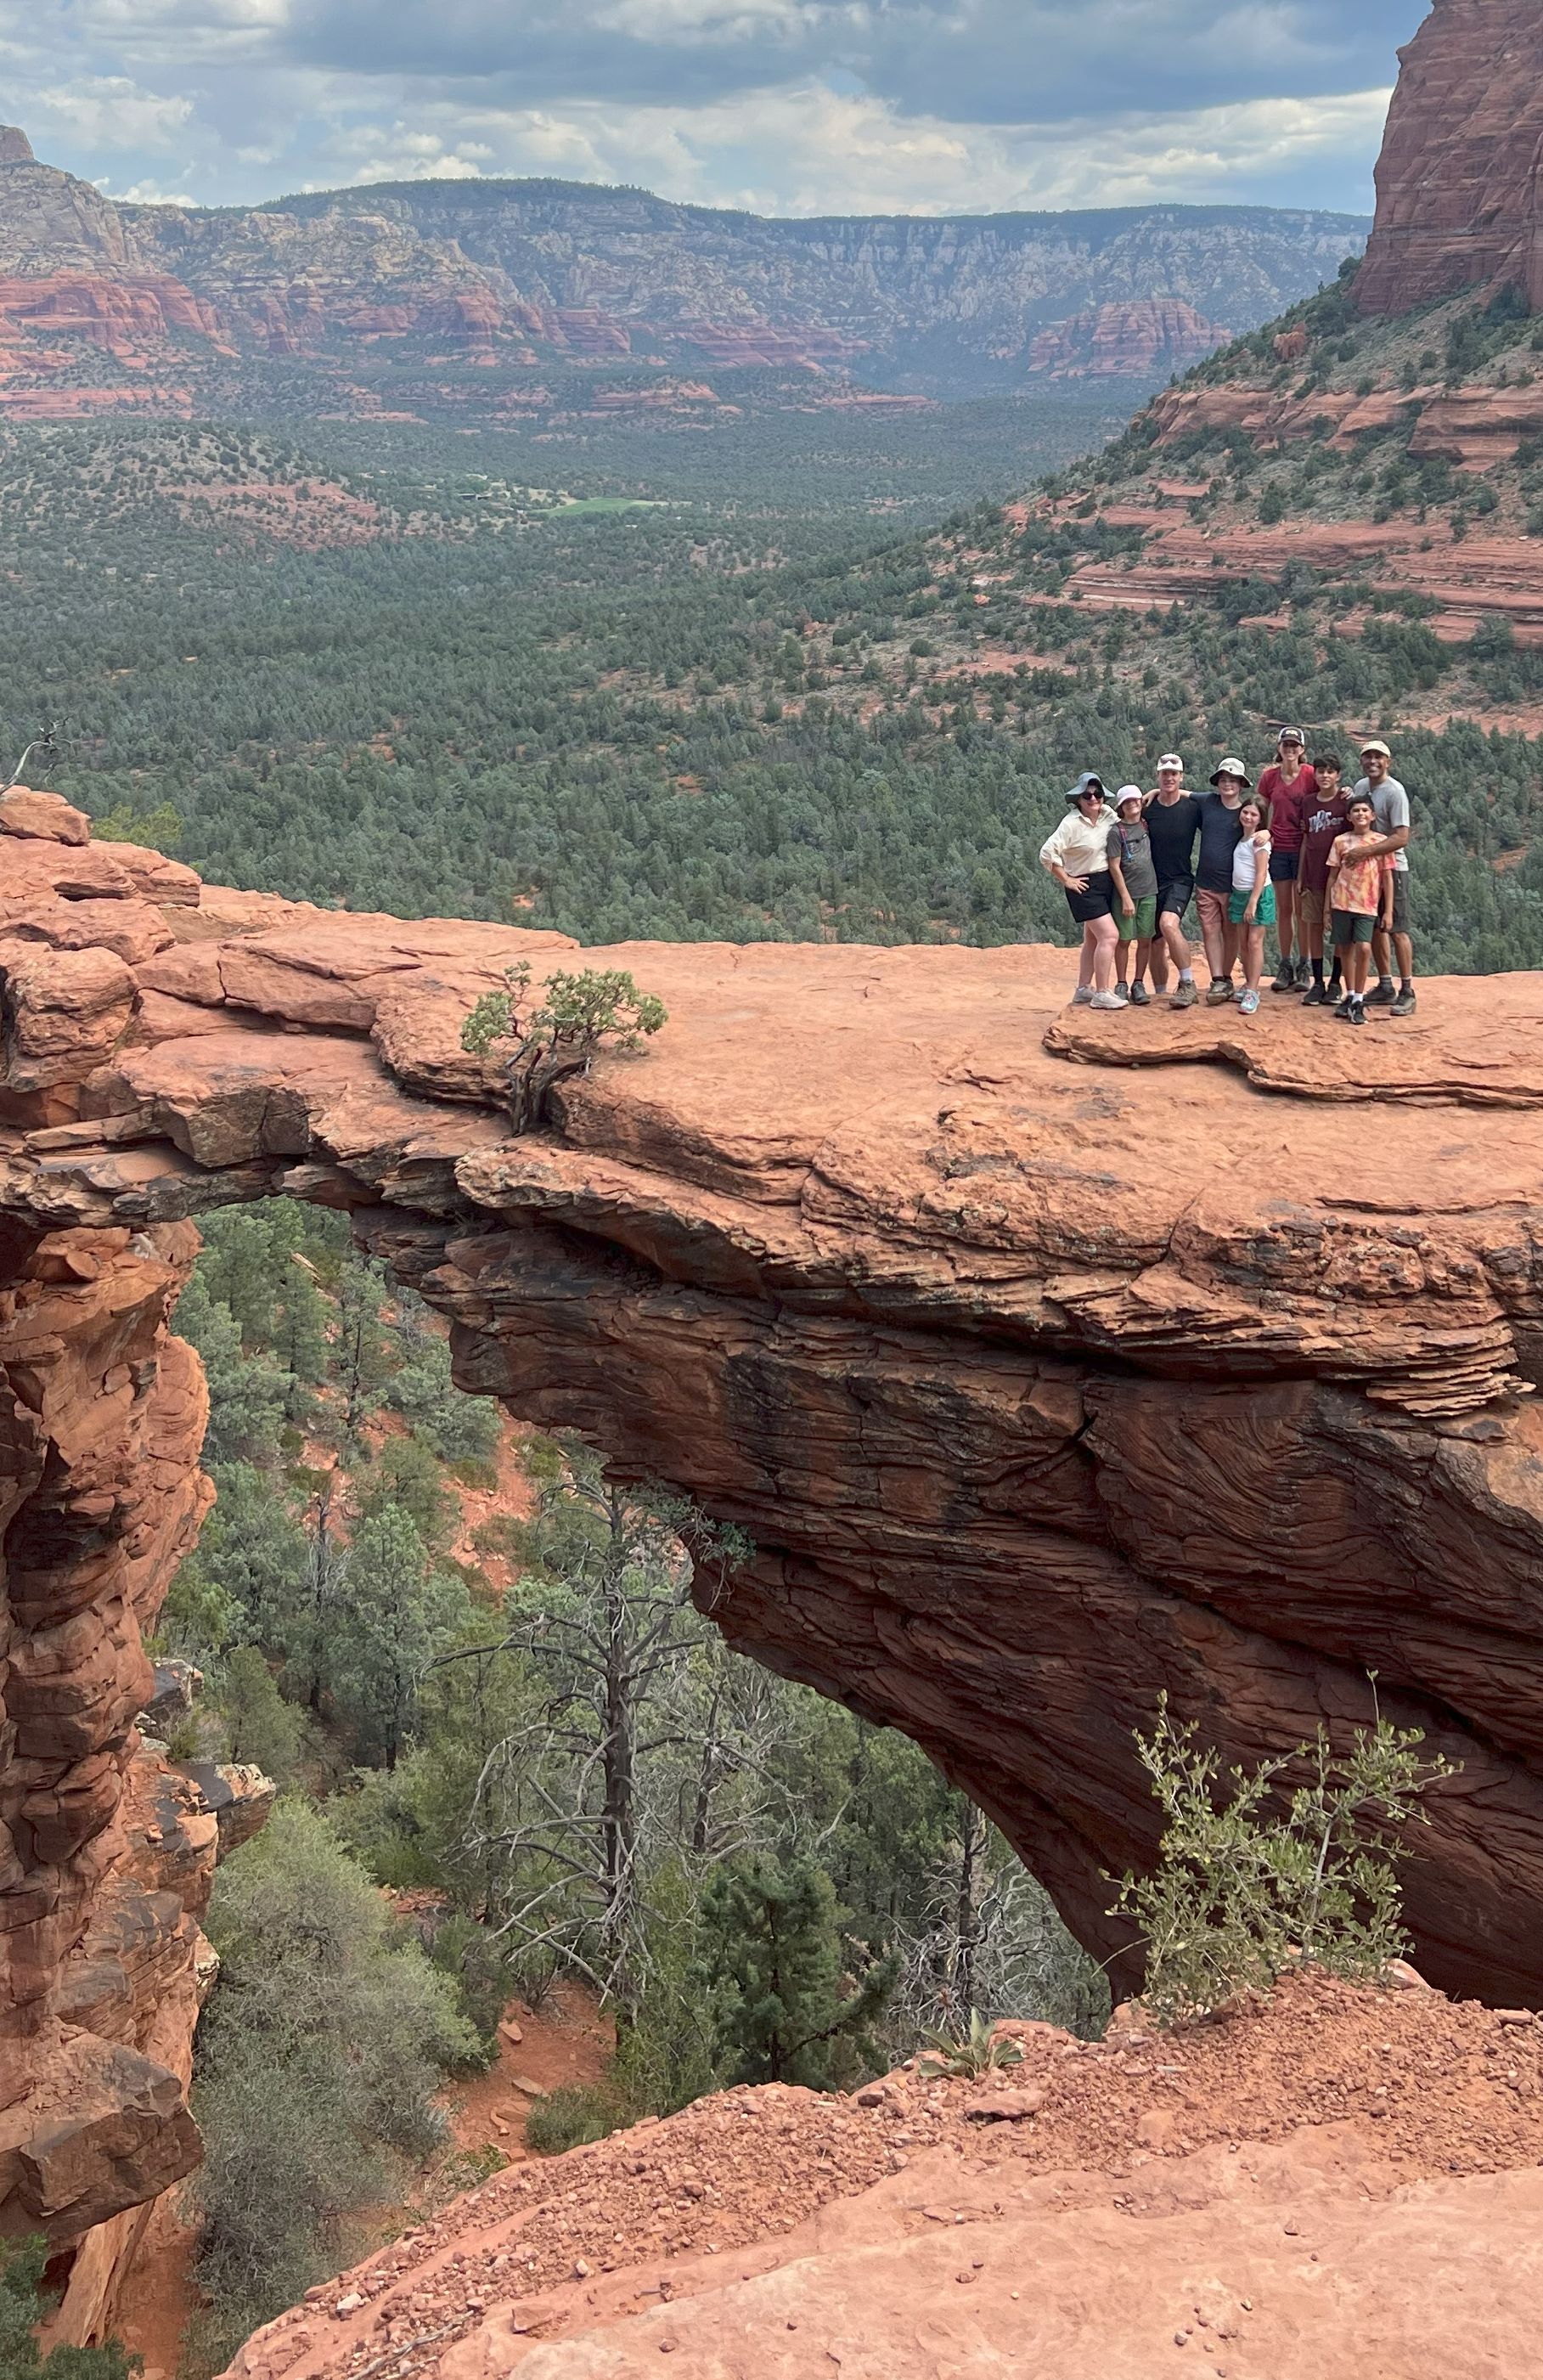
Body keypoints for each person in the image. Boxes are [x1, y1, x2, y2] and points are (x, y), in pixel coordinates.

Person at [1039, 772, 1122, 1010]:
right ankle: (1103, 992)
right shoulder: (1071, 823)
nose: (1093, 798)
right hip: (1084, 885)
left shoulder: (1107, 814)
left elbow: (1129, 816)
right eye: (1087, 795)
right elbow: (1047, 853)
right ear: (1079, 799)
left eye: (1098, 794)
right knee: (1109, 936)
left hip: (1105, 882)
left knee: (1092, 939)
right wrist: (1066, 879)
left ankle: (1084, 989)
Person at [1354, 740, 1416, 1015]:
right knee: (1376, 927)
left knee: (1397, 929)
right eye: (1367, 757)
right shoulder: (1360, 788)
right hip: (1367, 873)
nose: (1372, 761)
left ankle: (1408, 990)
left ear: (1388, 761)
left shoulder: (1395, 792)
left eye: (1378, 757)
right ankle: (1386, 985)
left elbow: (1402, 837)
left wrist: (1367, 851)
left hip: (1393, 870)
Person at [1326, 792, 1395, 1028]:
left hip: (1367, 905)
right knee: (1345, 950)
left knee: (1364, 948)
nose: (1360, 814)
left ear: (1373, 815)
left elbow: (1387, 878)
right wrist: (1328, 908)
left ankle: (1358, 997)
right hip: (1342, 902)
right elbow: (1332, 876)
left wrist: (1388, 912)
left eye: (1365, 811)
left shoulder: (1381, 842)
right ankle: (1351, 996)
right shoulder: (1340, 842)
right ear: (1349, 816)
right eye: (1356, 811)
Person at [1256, 729, 1316, 990]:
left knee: (1302, 911)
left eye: (1295, 745)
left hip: (1304, 848)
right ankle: (1285, 964)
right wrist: (1263, 830)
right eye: (1286, 745)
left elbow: (1327, 793)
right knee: (1284, 911)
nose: (1290, 749)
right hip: (1279, 848)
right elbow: (1261, 805)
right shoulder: (1269, 777)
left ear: (1302, 749)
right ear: (1279, 748)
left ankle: (1305, 965)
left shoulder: (1311, 775)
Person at [1143, 753, 1202, 1008]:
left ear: (1181, 777)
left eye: (1174, 773)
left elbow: (1219, 809)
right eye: (1164, 773)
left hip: (1180, 879)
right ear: (1158, 775)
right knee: (1154, 942)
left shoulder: (1192, 808)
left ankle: (1188, 983)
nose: (1169, 777)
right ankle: (1159, 993)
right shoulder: (1148, 808)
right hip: (1149, 883)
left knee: (1169, 924)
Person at [1297, 753, 1351, 1007]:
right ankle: (1318, 982)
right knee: (1314, 928)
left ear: (1338, 775)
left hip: (1341, 879)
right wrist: (1300, 876)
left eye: (1330, 771)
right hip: (1313, 875)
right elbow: (1306, 840)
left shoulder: (1345, 801)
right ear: (1314, 774)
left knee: (1339, 932)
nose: (1325, 776)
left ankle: (1335, 983)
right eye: (1321, 771)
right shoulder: (1308, 803)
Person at [1196, 759, 1250, 1003]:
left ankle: (1227, 977)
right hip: (1206, 883)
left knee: (1230, 932)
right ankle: (1217, 979)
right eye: (1223, 779)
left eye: (1233, 780)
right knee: (1210, 930)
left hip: (1233, 885)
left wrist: (1265, 832)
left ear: (1241, 784)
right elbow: (1183, 793)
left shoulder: (1246, 812)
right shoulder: (1208, 801)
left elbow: (1265, 826)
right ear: (1217, 783)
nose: (1228, 784)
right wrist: (1156, 791)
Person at [1107, 784, 1158, 1005]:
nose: (1133, 804)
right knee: (1124, 940)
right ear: (1121, 807)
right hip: (1126, 895)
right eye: (1127, 802)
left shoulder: (1147, 825)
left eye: (1136, 800)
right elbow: (1114, 866)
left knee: (1145, 939)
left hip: (1149, 891)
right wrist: (1125, 897)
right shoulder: (1116, 832)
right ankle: (1121, 983)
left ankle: (1138, 983)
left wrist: (1154, 792)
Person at [1228, 795, 1274, 1013]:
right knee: (1244, 944)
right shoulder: (1243, 839)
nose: (1248, 816)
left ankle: (1253, 992)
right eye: (1246, 811)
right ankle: (1248, 983)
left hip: (1258, 895)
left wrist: (1253, 902)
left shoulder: (1259, 842)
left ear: (1260, 819)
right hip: (1240, 894)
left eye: (1254, 814)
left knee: (1254, 942)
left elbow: (1261, 873)